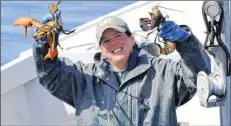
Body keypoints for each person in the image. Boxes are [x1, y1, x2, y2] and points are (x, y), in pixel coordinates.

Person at [33, 10, 211, 126]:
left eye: (118, 35)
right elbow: (51, 76)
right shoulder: (84, 78)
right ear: (101, 48)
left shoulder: (163, 71)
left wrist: (185, 42)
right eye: (106, 40)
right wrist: (45, 45)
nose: (114, 43)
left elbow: (198, 74)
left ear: (132, 39)